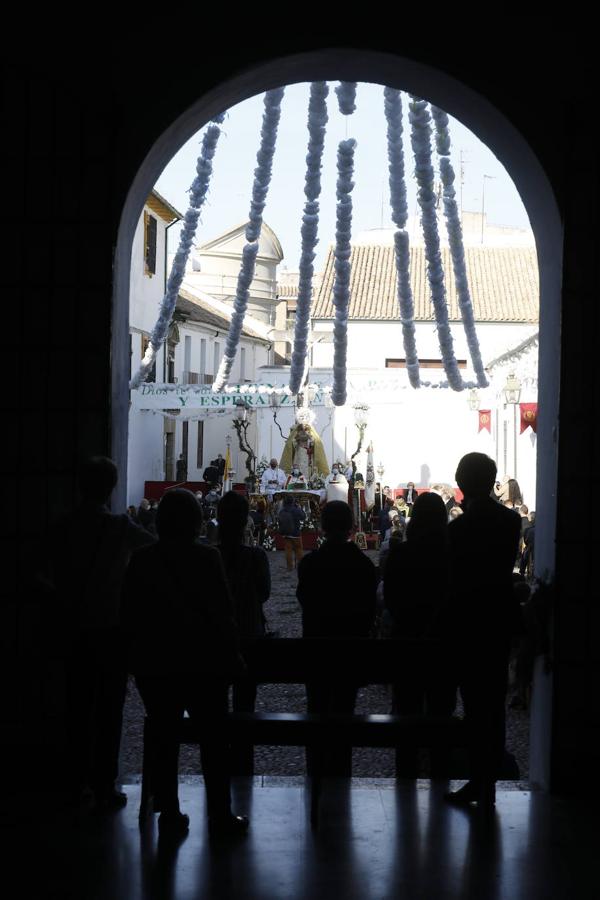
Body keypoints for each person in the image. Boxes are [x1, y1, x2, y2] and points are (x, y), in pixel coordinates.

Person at [120, 489, 249, 838]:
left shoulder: (143, 559)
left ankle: (170, 810)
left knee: (164, 736)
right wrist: (231, 653)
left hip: (157, 663)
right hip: (202, 662)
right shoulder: (207, 558)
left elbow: (129, 612)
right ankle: (220, 812)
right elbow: (223, 613)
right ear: (196, 522)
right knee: (212, 740)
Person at [51, 456, 155, 810]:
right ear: (111, 488)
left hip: (73, 627)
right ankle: (103, 783)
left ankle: (72, 780)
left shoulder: (62, 526)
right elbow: (155, 548)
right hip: (111, 630)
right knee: (110, 711)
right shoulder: (119, 528)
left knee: (76, 707)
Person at [445, 452, 522, 810]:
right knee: (494, 704)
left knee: (475, 706)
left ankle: (479, 778)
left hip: (467, 623)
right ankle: (487, 780)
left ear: (461, 485)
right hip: (498, 620)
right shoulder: (510, 523)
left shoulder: (458, 529)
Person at [296, 501, 377, 774]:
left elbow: (304, 599)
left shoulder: (310, 564)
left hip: (316, 653)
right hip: (350, 653)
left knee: (316, 708)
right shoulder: (364, 566)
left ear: (322, 527)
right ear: (352, 527)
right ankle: (341, 770)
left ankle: (315, 767)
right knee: (344, 710)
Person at [384, 492, 455, 774]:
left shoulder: (401, 552)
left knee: (406, 715)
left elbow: (390, 598)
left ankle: (406, 776)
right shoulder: (451, 553)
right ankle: (439, 774)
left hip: (407, 642)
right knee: (441, 713)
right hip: (442, 643)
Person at [217, 491, 271, 772]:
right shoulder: (256, 557)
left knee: (214, 706)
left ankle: (217, 762)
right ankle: (242, 764)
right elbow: (263, 594)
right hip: (249, 637)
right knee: (244, 704)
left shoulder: (208, 556)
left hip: (214, 642)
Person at [277, 493, 306, 571]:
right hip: (296, 533)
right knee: (298, 549)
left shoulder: (282, 510)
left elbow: (279, 520)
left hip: (286, 533)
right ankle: (301, 566)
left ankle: (290, 567)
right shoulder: (296, 509)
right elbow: (303, 517)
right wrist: (300, 508)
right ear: (293, 501)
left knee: (288, 551)